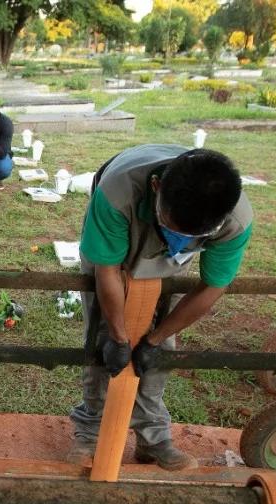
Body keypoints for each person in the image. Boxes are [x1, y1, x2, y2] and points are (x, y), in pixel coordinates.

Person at [69, 146, 253, 471]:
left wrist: (155, 339)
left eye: (194, 236)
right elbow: (107, 270)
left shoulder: (234, 219)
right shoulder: (117, 194)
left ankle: (153, 439)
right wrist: (117, 336)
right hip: (122, 232)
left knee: (159, 354)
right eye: (174, 227)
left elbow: (212, 285)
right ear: (156, 189)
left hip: (165, 255)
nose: (180, 240)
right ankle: (89, 434)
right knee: (103, 345)